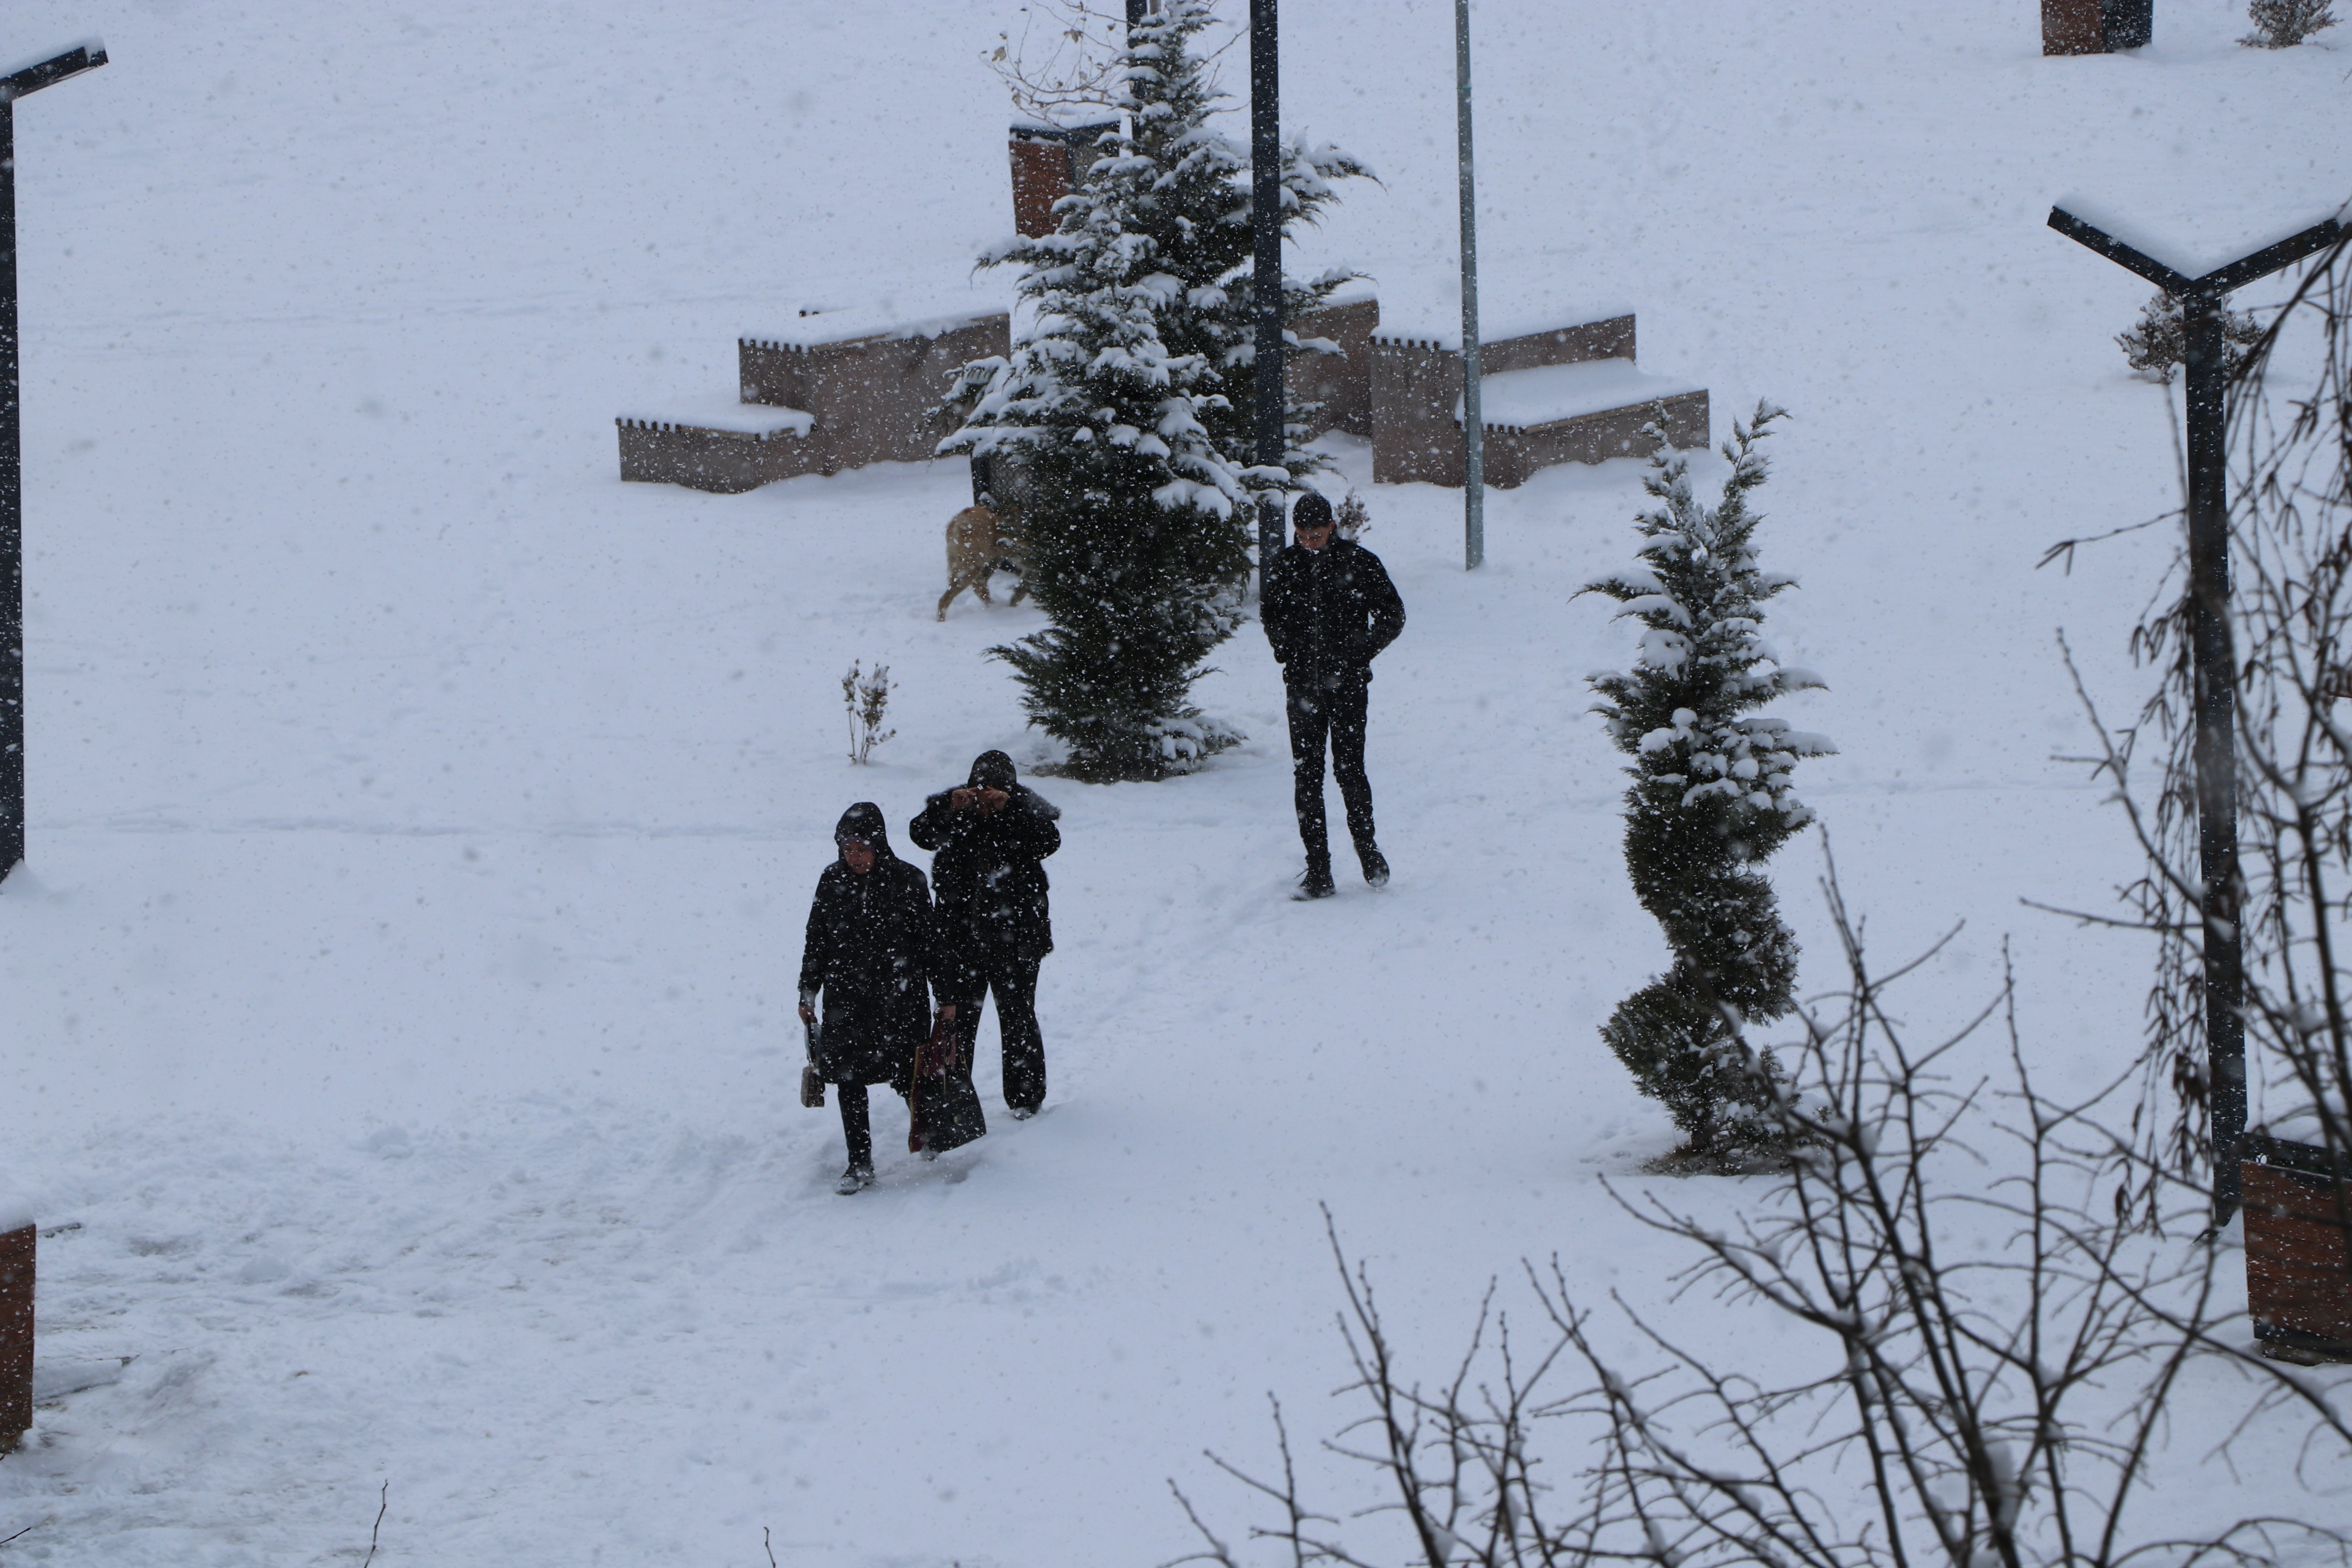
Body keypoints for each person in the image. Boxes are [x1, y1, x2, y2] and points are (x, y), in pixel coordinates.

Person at [798, 803, 955, 1194]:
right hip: (847, 1000)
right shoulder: (831, 880)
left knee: (909, 1074)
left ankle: (930, 1131)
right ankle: (860, 1161)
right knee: (850, 1081)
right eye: (847, 849)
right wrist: (808, 991)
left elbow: (931, 944)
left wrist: (946, 995)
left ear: (879, 845)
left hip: (898, 999)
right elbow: (817, 940)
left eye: (861, 849)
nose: (854, 858)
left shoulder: (908, 880)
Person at [1262, 490, 1406, 899]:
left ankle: (1368, 850)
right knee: (1307, 775)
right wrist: (1285, 649)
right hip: (1303, 686)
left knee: (1349, 770)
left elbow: (1393, 614)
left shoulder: (1359, 562)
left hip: (1348, 686)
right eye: (1303, 535)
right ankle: (1319, 871)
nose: (1310, 542)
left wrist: (1360, 652)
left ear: (1331, 527)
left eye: (1317, 534)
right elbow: (1270, 611)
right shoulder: (1286, 566)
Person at [909, 750, 1061, 1118]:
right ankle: (954, 1100)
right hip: (960, 939)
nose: (985, 796)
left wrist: (1008, 810)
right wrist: (950, 808)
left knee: (1019, 1016)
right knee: (957, 1022)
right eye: (980, 788)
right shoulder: (955, 809)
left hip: (1017, 937)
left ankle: (1027, 1098)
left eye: (993, 789)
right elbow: (920, 834)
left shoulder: (1026, 813)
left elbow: (1048, 841)